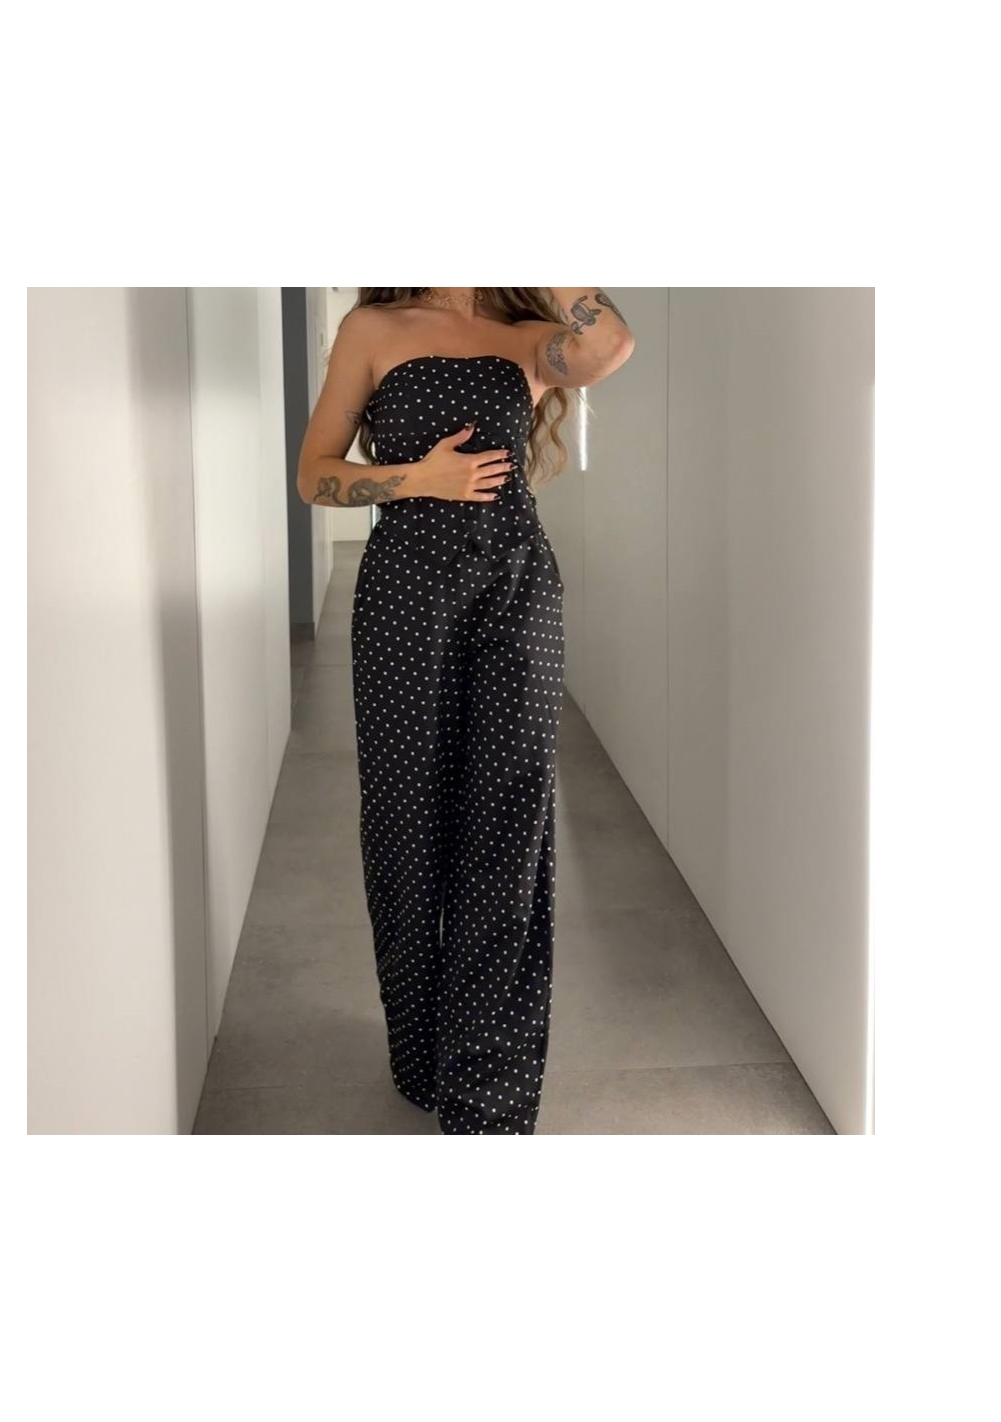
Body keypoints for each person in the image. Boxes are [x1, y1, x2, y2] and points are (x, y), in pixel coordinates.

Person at [297, 287, 635, 1133]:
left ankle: (488, 1093)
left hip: (517, 593)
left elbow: (609, 347)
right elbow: (314, 476)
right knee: (406, 823)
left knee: (510, 827)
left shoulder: (527, 339)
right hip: (405, 594)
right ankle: (421, 1053)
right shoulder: (373, 329)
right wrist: (419, 479)